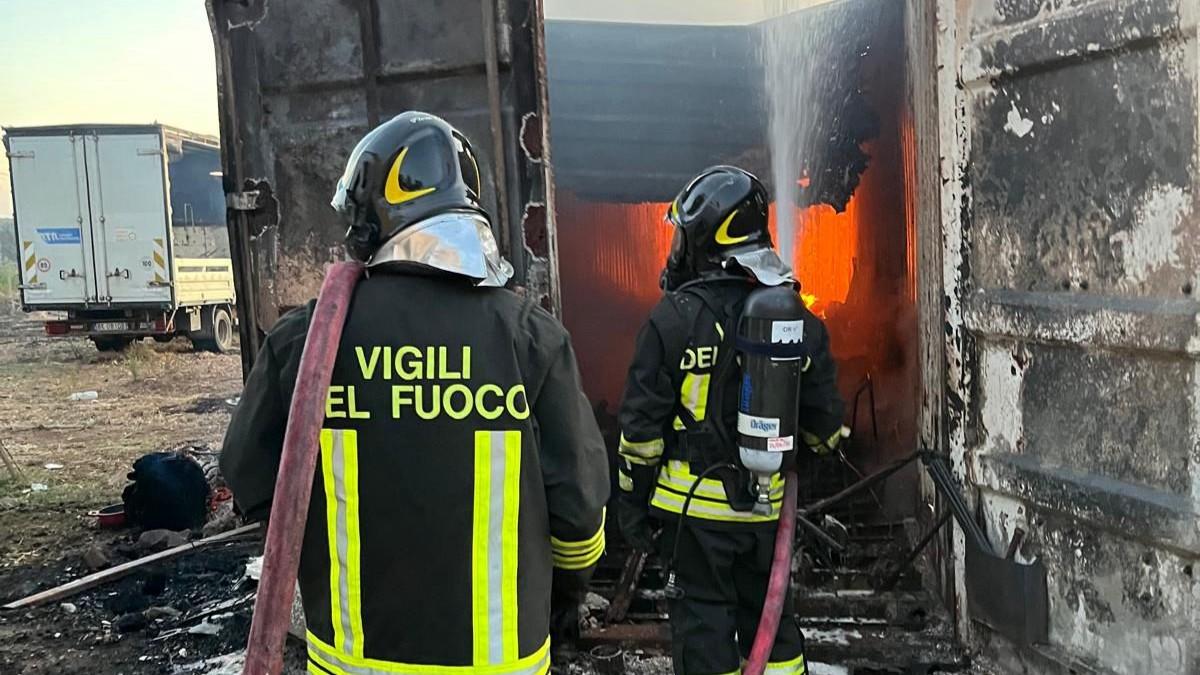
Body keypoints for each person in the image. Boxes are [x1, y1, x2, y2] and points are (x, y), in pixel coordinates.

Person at [221, 111, 609, 675]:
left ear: (370, 216)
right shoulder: (531, 338)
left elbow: (252, 482)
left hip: (353, 661)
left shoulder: (306, 340)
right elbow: (578, 516)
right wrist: (561, 599)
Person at [617, 166, 845, 675]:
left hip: (691, 515)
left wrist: (632, 506)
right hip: (766, 514)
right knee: (773, 626)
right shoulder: (795, 318)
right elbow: (825, 429)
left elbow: (641, 434)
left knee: (704, 628)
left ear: (704, 236)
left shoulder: (670, 318)